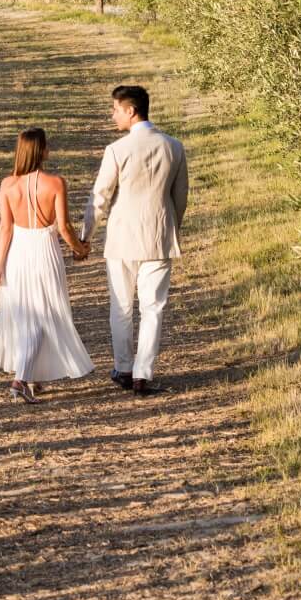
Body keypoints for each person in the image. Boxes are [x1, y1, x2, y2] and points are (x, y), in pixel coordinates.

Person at [80, 85, 188, 396]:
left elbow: (100, 197)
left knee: (122, 306)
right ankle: (143, 373)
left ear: (131, 110)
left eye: (115, 109)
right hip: (159, 235)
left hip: (122, 237)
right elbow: (180, 197)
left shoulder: (117, 149)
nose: (112, 115)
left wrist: (87, 235)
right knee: (153, 307)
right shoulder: (174, 147)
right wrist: (172, 227)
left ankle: (124, 367)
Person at [0, 127, 94, 403]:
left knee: (26, 315)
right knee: (44, 314)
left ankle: (32, 376)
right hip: (45, 250)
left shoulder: (8, 185)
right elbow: (65, 227)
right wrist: (80, 249)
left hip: (18, 253)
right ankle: (20, 380)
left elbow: (5, 229)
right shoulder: (55, 183)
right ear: (42, 150)